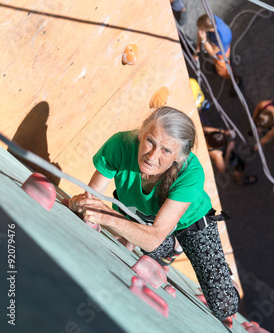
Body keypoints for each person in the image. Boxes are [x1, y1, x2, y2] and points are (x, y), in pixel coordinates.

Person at [67, 107, 239, 321]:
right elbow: (91, 198)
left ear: (179, 156)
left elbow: (152, 239)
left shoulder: (192, 173)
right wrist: (83, 205)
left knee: (225, 305)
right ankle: (173, 246)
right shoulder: (120, 144)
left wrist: (103, 216)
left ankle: (216, 273)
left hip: (191, 223)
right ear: (141, 133)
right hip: (147, 220)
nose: (151, 156)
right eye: (150, 141)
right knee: (141, 242)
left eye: (166, 151)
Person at [194, 14, 242, 94]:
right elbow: (200, 32)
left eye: (202, 30)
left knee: (224, 70)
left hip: (222, 53)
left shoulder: (223, 37)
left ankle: (236, 80)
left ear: (209, 29)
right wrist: (197, 50)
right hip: (217, 46)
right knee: (220, 65)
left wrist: (204, 40)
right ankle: (221, 68)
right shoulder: (211, 18)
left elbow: (212, 52)